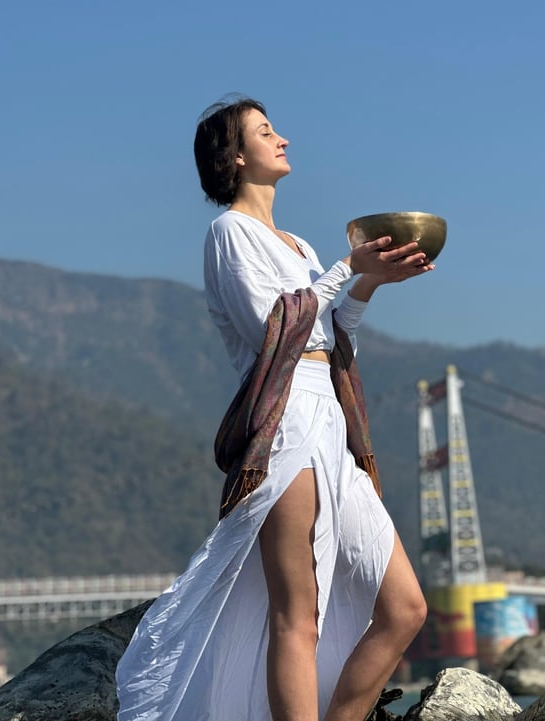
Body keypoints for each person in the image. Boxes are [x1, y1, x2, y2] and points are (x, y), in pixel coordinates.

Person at [115, 96, 431, 721]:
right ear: (235, 156)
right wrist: (347, 267)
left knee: (405, 608)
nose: (282, 138)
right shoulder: (229, 232)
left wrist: (370, 280)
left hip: (330, 419)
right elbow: (273, 328)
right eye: (265, 132)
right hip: (285, 425)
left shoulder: (299, 244)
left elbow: (331, 334)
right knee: (298, 614)